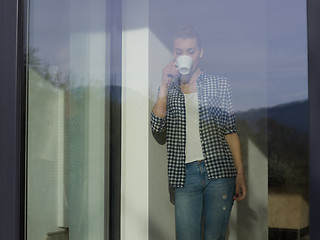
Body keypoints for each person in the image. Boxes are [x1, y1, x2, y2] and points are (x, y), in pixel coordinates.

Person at [150, 24, 247, 240]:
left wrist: (239, 173)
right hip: (184, 176)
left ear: (200, 53)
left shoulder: (219, 84)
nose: (185, 56)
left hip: (220, 172)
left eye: (191, 51)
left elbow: (230, 131)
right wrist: (164, 87)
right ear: (173, 54)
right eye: (179, 51)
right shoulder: (167, 89)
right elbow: (157, 127)